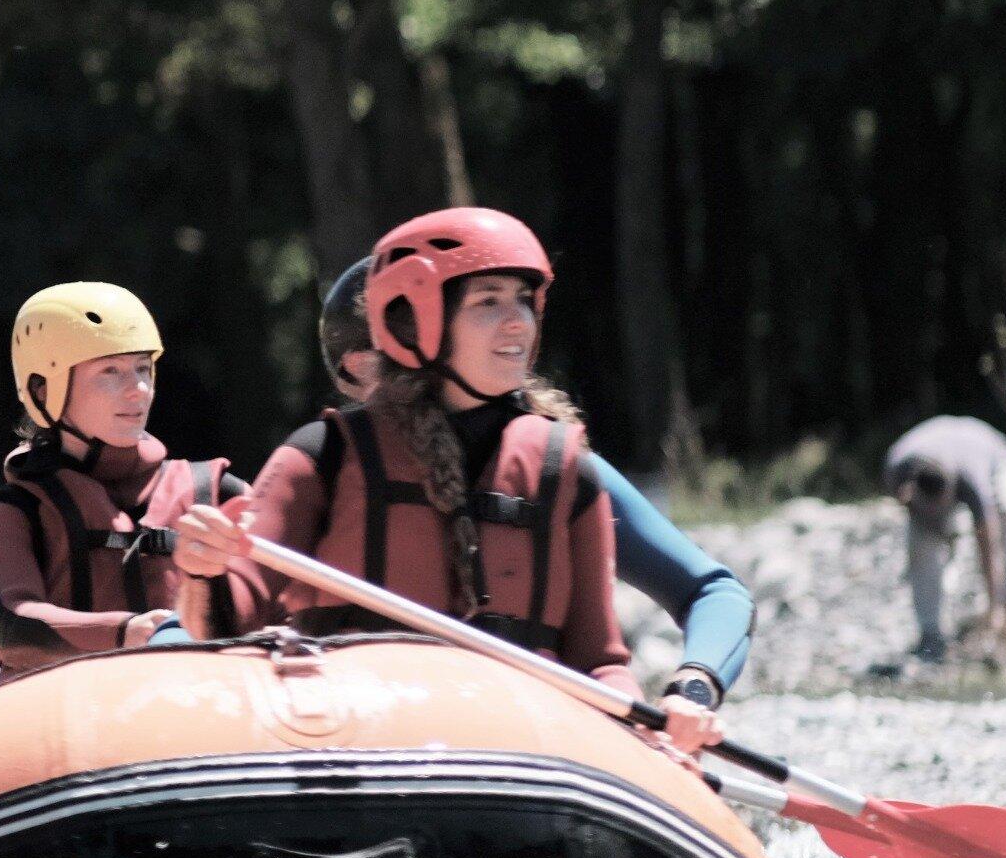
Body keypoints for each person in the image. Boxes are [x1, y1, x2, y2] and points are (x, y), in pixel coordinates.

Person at [179, 208, 719, 743]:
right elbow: (222, 625)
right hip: (363, 742)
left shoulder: (565, 472)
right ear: (415, 322)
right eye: (488, 302)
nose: (518, 321)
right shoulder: (323, 454)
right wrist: (204, 568)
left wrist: (656, 725)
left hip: (520, 745)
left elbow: (599, 662)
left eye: (524, 300)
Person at [311, 252, 752, 718]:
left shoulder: (558, 473)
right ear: (359, 370)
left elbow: (713, 592)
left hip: (532, 728)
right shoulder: (329, 465)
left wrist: (693, 687)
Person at [0, 282, 255, 677]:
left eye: (143, 368)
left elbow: (277, 601)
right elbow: (10, 625)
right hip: (74, 708)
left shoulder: (218, 493)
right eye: (110, 371)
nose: (138, 390)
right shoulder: (13, 511)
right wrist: (124, 633)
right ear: (44, 390)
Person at [883, 414, 1006, 660]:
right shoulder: (896, 468)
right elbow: (908, 508)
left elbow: (989, 544)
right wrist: (930, 521)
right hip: (934, 449)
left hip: (990, 450)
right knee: (920, 541)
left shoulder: (972, 480)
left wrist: (992, 605)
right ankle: (930, 634)